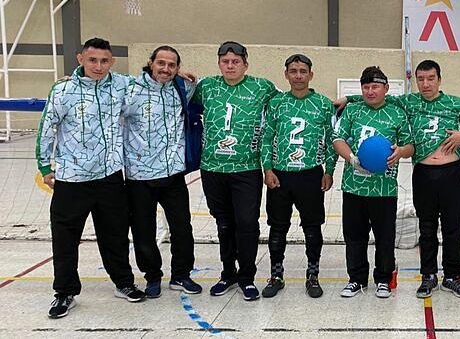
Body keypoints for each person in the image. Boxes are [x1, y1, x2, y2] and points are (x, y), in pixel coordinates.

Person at [335, 59, 460, 299]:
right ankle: (428, 276)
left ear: (440, 80)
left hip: (452, 173)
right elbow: (375, 95)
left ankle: (451, 275)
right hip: (424, 172)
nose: (426, 84)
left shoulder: (456, 103)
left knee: (453, 227)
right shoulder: (408, 102)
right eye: (421, 79)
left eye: (431, 78)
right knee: (426, 227)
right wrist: (349, 99)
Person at [36, 37, 145, 318]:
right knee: (65, 238)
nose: (99, 66)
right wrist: (45, 167)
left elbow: (154, 79)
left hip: (109, 177)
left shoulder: (122, 84)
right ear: (80, 59)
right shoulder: (62, 90)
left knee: (116, 235)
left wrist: (180, 75)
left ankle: (124, 283)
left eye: (104, 60)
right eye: (93, 60)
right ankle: (64, 292)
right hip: (72, 180)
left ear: (112, 62)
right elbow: (48, 126)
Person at [192, 41, 278, 301]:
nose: (230, 66)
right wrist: (183, 79)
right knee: (224, 223)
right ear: (219, 63)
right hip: (213, 168)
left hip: (247, 168)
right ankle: (228, 272)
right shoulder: (206, 86)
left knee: (247, 223)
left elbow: (286, 104)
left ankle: (247, 277)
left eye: (235, 62)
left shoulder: (262, 87)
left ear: (245, 64)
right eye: (225, 61)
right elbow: (179, 101)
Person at [122, 45, 202, 299]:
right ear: (151, 63)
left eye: (171, 65)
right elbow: (98, 87)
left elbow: (195, 87)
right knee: (143, 230)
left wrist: (192, 80)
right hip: (139, 176)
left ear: (177, 68)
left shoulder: (182, 88)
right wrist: (76, 77)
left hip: (173, 175)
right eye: (161, 63)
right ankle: (152, 276)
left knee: (182, 228)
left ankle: (181, 274)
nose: (166, 69)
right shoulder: (129, 89)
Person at [332, 66, 414, 299]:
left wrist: (400, 152)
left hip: (384, 189)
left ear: (386, 88)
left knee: (385, 238)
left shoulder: (397, 113)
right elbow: (337, 138)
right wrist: (351, 158)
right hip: (354, 186)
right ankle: (356, 279)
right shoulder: (352, 111)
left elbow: (410, 146)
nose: (370, 91)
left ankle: (384, 279)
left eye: (375, 86)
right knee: (354, 236)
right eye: (366, 87)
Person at [260, 54, 337, 299]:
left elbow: (332, 139)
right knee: (277, 228)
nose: (298, 76)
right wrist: (267, 168)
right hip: (280, 176)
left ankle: (312, 275)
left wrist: (329, 170)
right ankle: (276, 274)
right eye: (293, 71)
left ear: (311, 75)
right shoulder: (276, 103)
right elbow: (266, 137)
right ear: (286, 74)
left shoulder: (323, 104)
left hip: (310, 175)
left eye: (303, 71)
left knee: (312, 228)